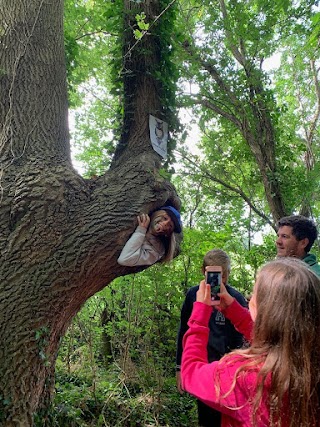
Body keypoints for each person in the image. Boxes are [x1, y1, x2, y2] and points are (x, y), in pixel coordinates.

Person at [181, 257, 320, 427]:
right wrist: (233, 310)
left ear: (266, 310)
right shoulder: (310, 363)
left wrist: (200, 315)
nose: (249, 298)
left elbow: (191, 373)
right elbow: (278, 339)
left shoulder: (243, 376)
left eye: (255, 294)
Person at [176, 249, 248, 427]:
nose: (220, 281)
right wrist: (179, 367)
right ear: (203, 272)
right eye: (214, 275)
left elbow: (244, 338)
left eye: (223, 275)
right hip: (203, 369)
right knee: (206, 418)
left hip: (229, 373)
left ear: (228, 273)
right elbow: (184, 331)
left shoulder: (235, 298)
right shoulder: (194, 296)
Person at [117, 206, 182, 266]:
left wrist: (141, 230)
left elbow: (124, 259)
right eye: (165, 218)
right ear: (157, 213)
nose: (165, 223)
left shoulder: (157, 251)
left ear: (168, 233)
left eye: (170, 225)